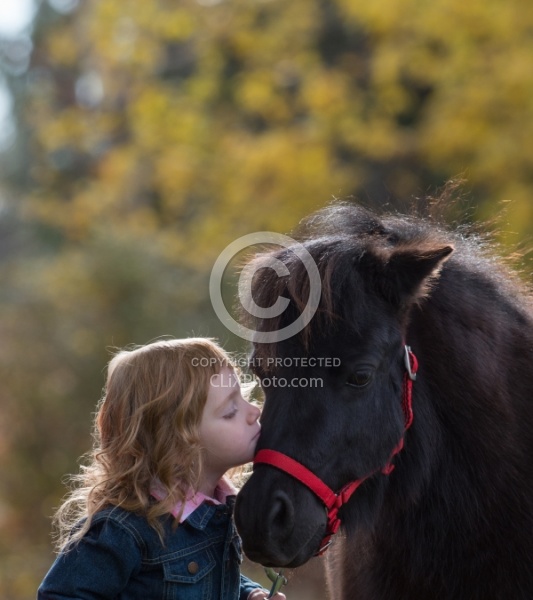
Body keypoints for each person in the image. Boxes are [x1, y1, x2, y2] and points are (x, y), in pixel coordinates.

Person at [38, 337, 286, 600]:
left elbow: (206, 577)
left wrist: (247, 594)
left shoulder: (216, 509)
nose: (254, 411)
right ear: (178, 443)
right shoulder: (123, 530)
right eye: (230, 411)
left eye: (244, 397)